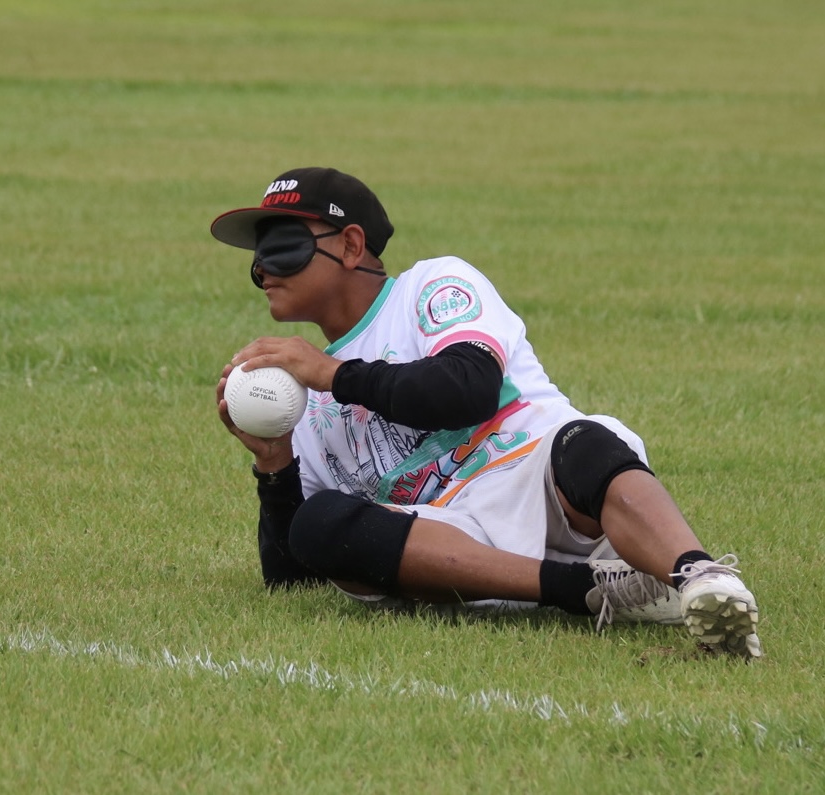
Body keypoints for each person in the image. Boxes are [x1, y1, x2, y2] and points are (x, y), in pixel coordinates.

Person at [212, 167, 764, 659]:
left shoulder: (433, 287)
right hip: (455, 541)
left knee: (584, 439)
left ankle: (698, 576)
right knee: (324, 522)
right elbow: (295, 578)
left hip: (544, 478)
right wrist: (274, 462)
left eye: (282, 246)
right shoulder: (305, 400)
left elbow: (467, 387)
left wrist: (336, 375)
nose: (263, 269)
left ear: (352, 245)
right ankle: (591, 590)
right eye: (257, 258)